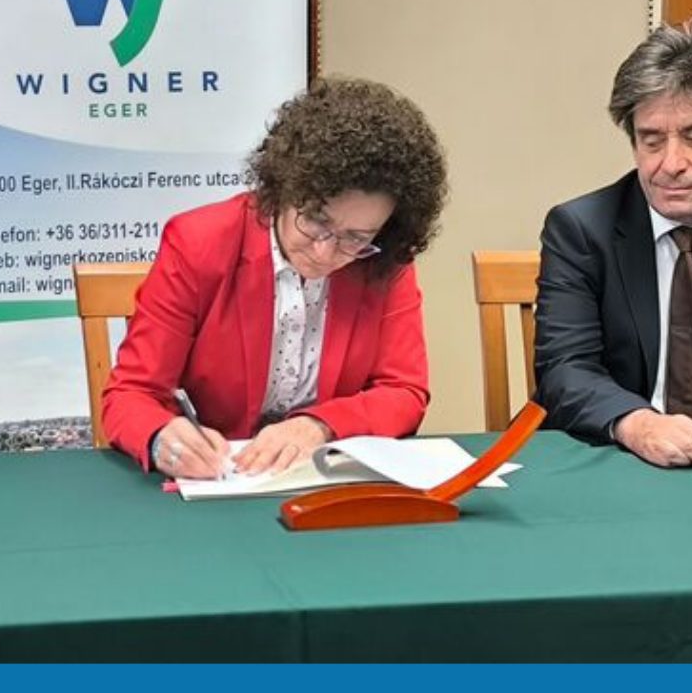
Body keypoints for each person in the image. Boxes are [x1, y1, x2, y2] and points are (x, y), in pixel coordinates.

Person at [102, 77, 448, 478]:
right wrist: (162, 436)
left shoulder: (385, 261)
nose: (324, 252)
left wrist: (320, 426)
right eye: (315, 220)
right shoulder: (198, 243)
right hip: (219, 481)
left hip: (322, 484)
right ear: (283, 188)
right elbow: (132, 393)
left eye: (356, 237)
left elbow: (404, 391)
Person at [536, 15, 692, 468]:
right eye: (651, 140)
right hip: (617, 458)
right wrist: (638, 423)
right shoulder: (580, 230)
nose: (671, 163)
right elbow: (565, 369)